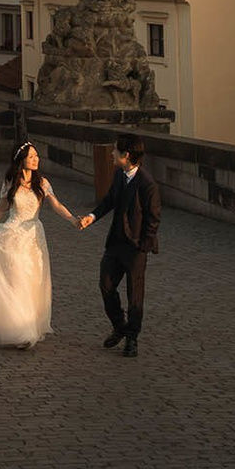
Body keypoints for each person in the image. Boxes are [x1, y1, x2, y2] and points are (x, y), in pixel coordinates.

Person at [0, 140, 78, 348]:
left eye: (36, 156)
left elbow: (56, 205)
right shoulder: (11, 181)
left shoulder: (42, 182)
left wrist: (73, 220)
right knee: (17, 279)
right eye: (32, 156)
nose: (36, 160)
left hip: (33, 235)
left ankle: (27, 325)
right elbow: (1, 208)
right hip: (12, 234)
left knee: (31, 279)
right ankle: (19, 330)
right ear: (21, 160)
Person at [76, 131, 161, 356]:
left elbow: (153, 218)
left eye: (116, 150)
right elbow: (109, 201)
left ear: (127, 155)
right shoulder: (118, 175)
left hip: (134, 247)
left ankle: (132, 338)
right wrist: (91, 217)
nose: (112, 153)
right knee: (106, 285)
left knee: (135, 296)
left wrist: (143, 246)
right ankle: (119, 326)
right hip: (115, 243)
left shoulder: (147, 183)